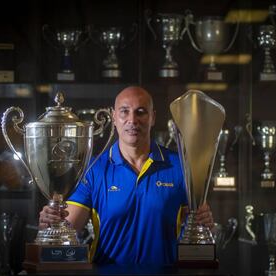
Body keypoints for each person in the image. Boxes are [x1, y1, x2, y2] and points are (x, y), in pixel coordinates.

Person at [38, 86, 214, 265]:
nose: (132, 120)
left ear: (153, 117)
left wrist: (204, 222)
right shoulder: (93, 168)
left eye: (141, 112)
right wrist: (53, 222)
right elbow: (70, 228)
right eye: (124, 112)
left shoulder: (181, 166)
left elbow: (198, 227)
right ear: (114, 117)